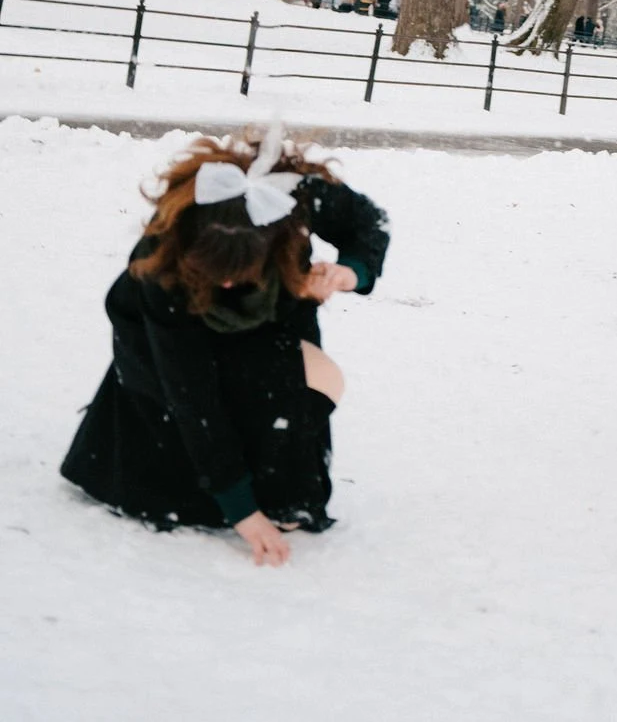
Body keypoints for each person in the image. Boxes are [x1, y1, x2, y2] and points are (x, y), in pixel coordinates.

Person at [60, 130, 390, 566]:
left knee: (315, 381)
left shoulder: (294, 196)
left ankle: (271, 479)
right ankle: (217, 489)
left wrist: (350, 272)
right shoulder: (162, 266)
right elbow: (191, 394)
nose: (229, 281)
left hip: (266, 321)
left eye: (240, 270)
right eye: (219, 271)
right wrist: (243, 512)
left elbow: (369, 222)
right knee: (203, 407)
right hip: (167, 337)